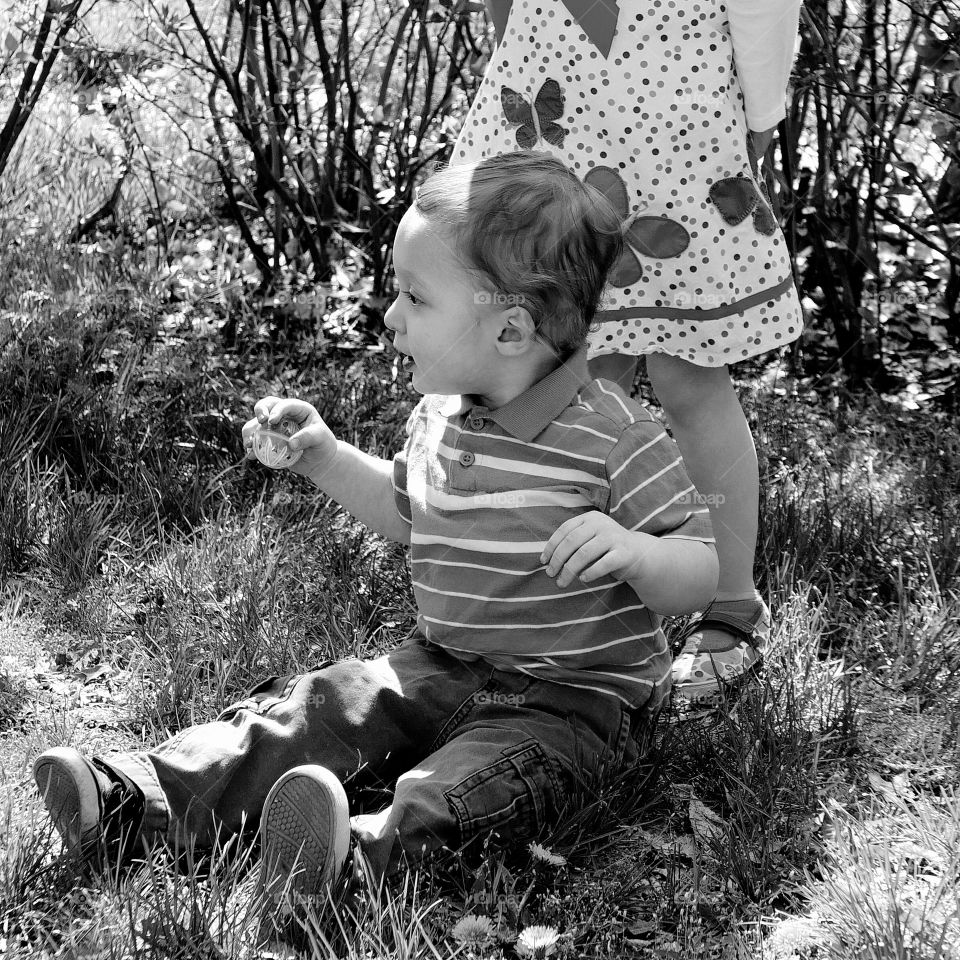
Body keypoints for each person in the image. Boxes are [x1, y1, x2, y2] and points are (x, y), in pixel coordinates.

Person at [32, 152, 717, 908]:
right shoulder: (445, 414)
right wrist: (325, 457)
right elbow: (404, 510)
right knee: (323, 704)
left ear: (513, 330)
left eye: (415, 298)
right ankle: (141, 796)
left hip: (571, 703)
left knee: (476, 785)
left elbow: (699, 567)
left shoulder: (616, 437)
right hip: (441, 663)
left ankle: (355, 858)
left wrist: (639, 551)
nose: (390, 316)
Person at [458, 0, 805, 710]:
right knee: (574, 374)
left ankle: (731, 606)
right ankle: (567, 604)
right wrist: (513, 50)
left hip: (675, 122)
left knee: (688, 377)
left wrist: (760, 113)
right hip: (559, 109)